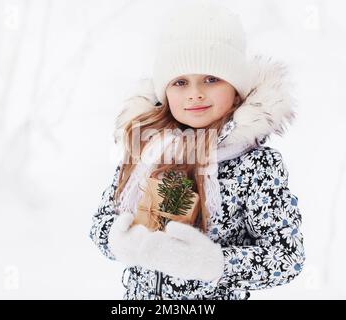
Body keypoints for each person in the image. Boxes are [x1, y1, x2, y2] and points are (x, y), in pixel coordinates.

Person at [89, 0, 305, 300]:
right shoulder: (146, 150)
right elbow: (101, 223)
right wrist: (123, 240)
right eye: (180, 82)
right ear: (165, 91)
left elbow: (286, 256)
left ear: (236, 87)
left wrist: (214, 264)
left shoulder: (255, 165)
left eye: (211, 79)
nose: (195, 94)